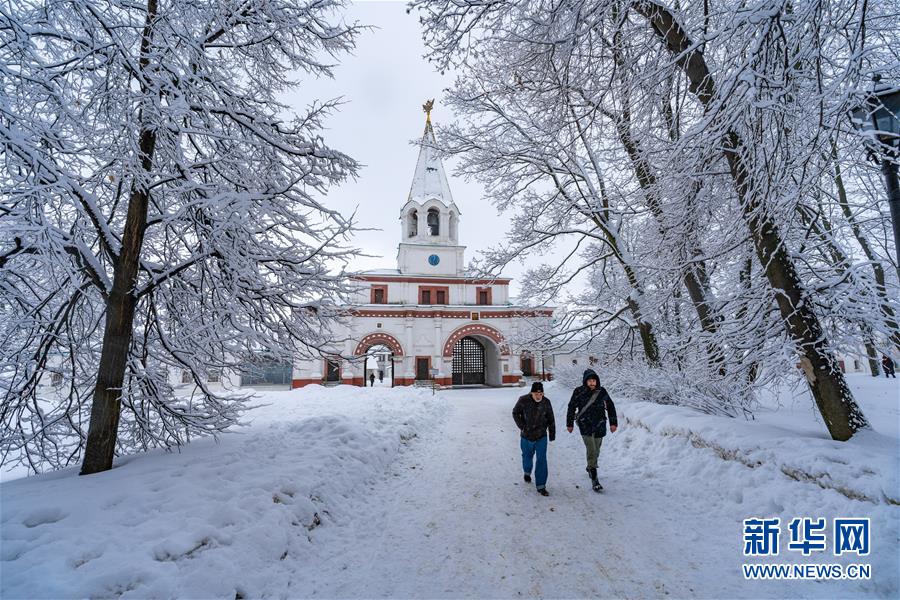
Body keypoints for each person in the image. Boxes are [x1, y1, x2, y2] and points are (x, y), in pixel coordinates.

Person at [566, 369, 617, 492]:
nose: (592, 383)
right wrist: (569, 423)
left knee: (597, 450)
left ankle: (590, 467)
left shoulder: (601, 391)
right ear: (585, 381)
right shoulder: (578, 391)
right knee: (591, 449)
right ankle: (594, 479)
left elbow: (610, 406)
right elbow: (571, 407)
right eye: (590, 380)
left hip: (600, 424)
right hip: (585, 425)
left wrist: (613, 423)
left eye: (594, 380)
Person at [512, 382, 556, 496]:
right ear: (531, 393)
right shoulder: (523, 400)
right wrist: (522, 426)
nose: (538, 396)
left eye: (541, 393)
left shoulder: (546, 402)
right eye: (536, 393)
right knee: (527, 456)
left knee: (542, 460)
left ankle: (541, 485)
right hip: (526, 435)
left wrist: (552, 434)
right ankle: (527, 471)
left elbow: (551, 418)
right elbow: (515, 413)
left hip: (541, 436)